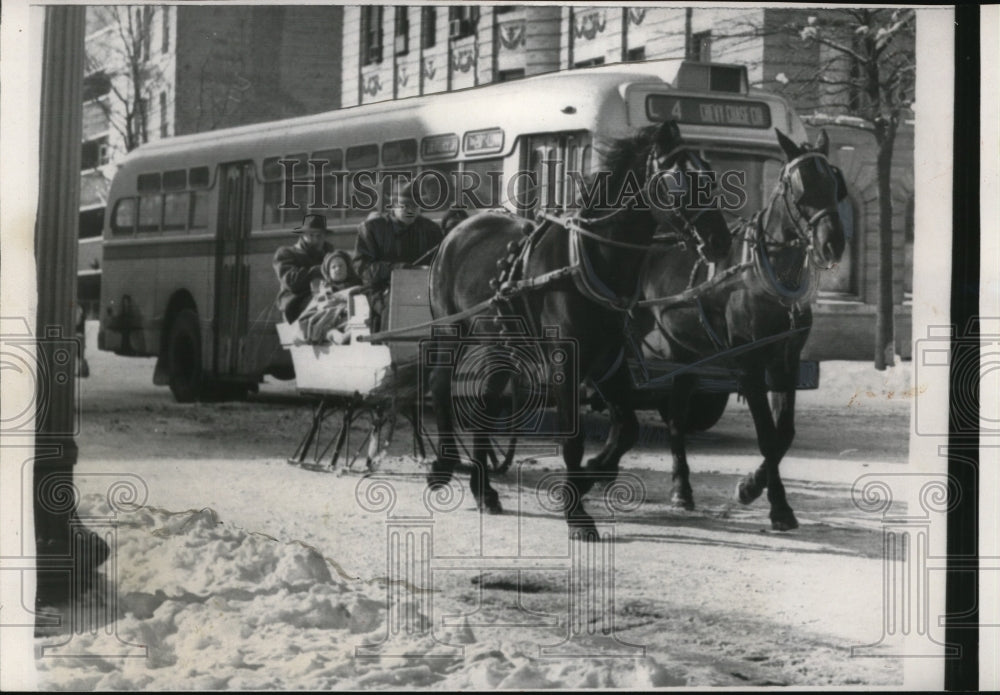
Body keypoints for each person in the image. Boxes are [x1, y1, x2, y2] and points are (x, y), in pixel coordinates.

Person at [354, 182, 443, 332]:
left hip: (423, 287)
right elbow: (362, 268)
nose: (410, 211)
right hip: (381, 288)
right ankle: (390, 348)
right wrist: (398, 269)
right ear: (393, 205)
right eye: (405, 206)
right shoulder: (373, 229)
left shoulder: (430, 230)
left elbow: (440, 261)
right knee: (395, 308)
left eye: (415, 207)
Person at [272, 213, 337, 323]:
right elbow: (292, 282)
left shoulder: (330, 253)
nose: (315, 240)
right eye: (311, 235)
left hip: (327, 300)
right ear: (302, 235)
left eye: (319, 236)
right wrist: (319, 270)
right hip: (296, 304)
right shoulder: (286, 253)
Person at [297, 249, 362, 345]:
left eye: (341, 266)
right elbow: (317, 306)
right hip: (330, 316)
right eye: (333, 267)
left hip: (346, 314)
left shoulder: (355, 284)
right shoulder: (326, 289)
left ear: (348, 269)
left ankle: (347, 333)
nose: (337, 269)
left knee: (351, 321)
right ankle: (332, 335)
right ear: (328, 272)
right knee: (324, 320)